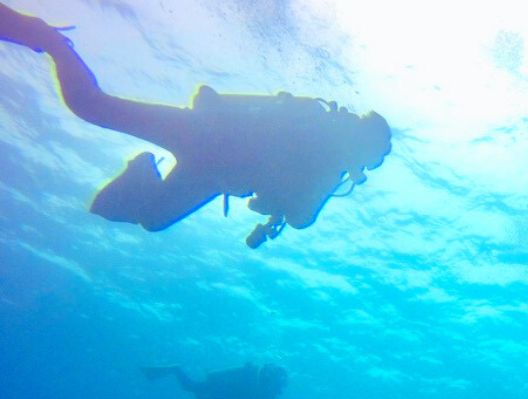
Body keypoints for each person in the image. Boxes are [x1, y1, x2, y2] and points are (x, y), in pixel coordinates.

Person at [0, 2, 392, 248]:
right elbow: (301, 217)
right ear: (365, 146)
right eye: (372, 159)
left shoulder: (324, 144)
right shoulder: (327, 158)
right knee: (96, 113)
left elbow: (284, 202)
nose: (366, 167)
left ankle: (47, 41)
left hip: (207, 147)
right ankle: (44, 37)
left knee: (97, 114)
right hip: (209, 144)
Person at [143, 362, 287, 399]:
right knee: (191, 387)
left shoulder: (267, 390)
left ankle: (173, 369)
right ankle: (175, 369)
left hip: (228, 394)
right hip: (223, 388)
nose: (279, 391)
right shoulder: (265, 388)